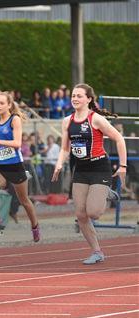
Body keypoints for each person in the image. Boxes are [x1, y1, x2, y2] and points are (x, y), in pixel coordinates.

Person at [52, 84, 126, 265]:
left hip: (99, 167)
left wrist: (122, 166)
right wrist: (59, 163)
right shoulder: (67, 121)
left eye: (79, 96)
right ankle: (97, 251)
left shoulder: (96, 119)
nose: (75, 98)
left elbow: (119, 138)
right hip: (81, 169)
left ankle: (105, 192)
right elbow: (64, 148)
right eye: (73, 96)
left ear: (88, 99)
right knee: (81, 215)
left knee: (93, 213)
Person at [0, 92, 40, 242]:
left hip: (15, 165)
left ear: (9, 105)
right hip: (0, 165)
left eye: (2, 103)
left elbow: (17, 144)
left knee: (24, 201)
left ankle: (35, 226)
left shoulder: (14, 120)